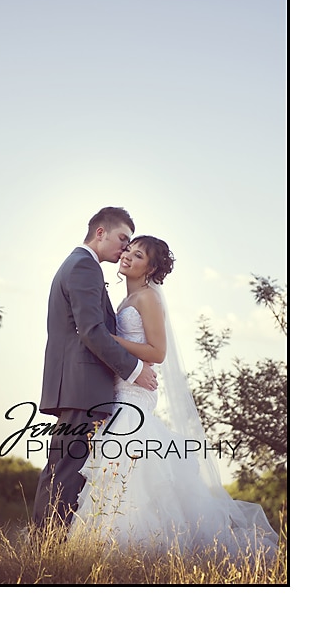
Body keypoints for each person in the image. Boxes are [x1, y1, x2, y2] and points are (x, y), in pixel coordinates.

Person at [68, 235, 279, 559]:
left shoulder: (149, 298)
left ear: (151, 269)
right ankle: (111, 551)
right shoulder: (127, 300)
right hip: (119, 392)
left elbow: (158, 352)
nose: (127, 256)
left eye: (138, 255)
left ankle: (130, 550)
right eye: (128, 250)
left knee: (127, 468)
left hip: (135, 395)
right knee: (119, 471)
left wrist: (109, 339)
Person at [32, 207, 159, 529]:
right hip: (82, 387)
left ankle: (46, 542)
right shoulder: (84, 267)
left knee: (62, 469)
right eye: (122, 239)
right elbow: (91, 331)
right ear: (100, 233)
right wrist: (135, 371)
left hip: (77, 386)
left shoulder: (79, 264)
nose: (125, 248)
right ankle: (48, 543)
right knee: (66, 471)